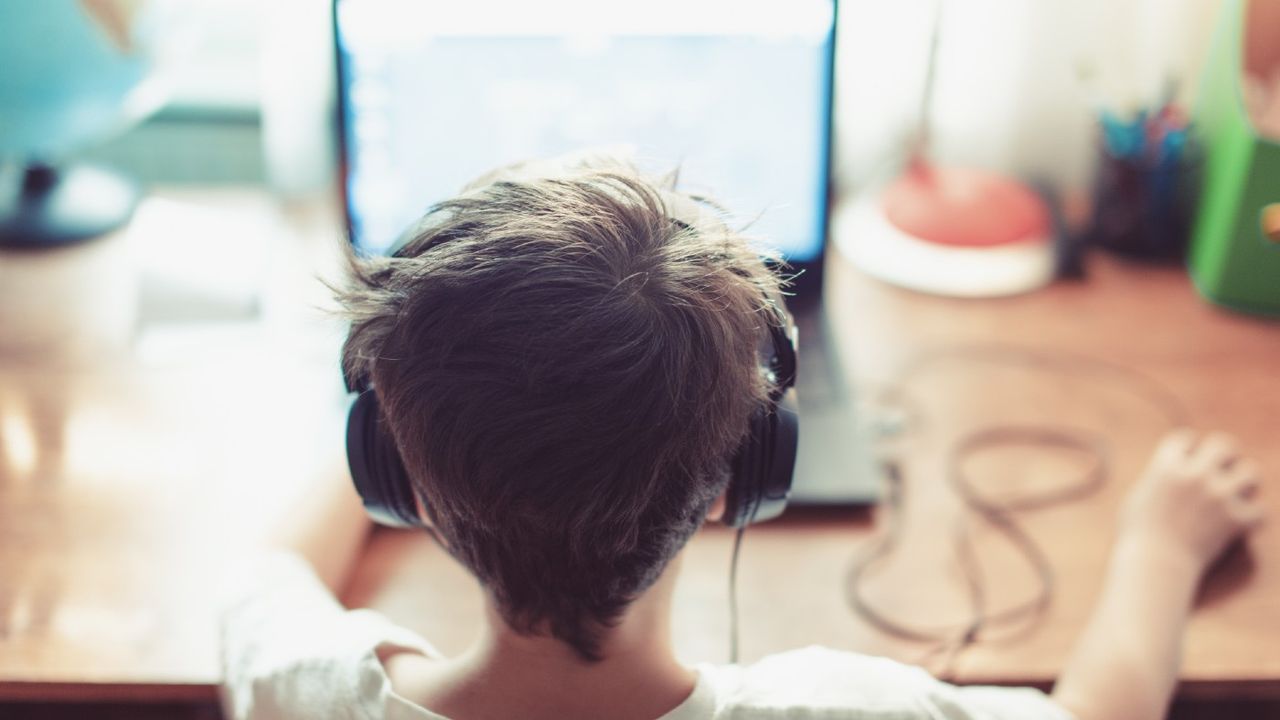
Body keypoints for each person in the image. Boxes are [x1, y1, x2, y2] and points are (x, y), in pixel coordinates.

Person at [220, 158, 1265, 720]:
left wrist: (417, 414)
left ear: (388, 472)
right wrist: (1160, 551)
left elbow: (265, 573)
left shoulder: (305, 690)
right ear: (747, 474)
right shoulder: (849, 711)